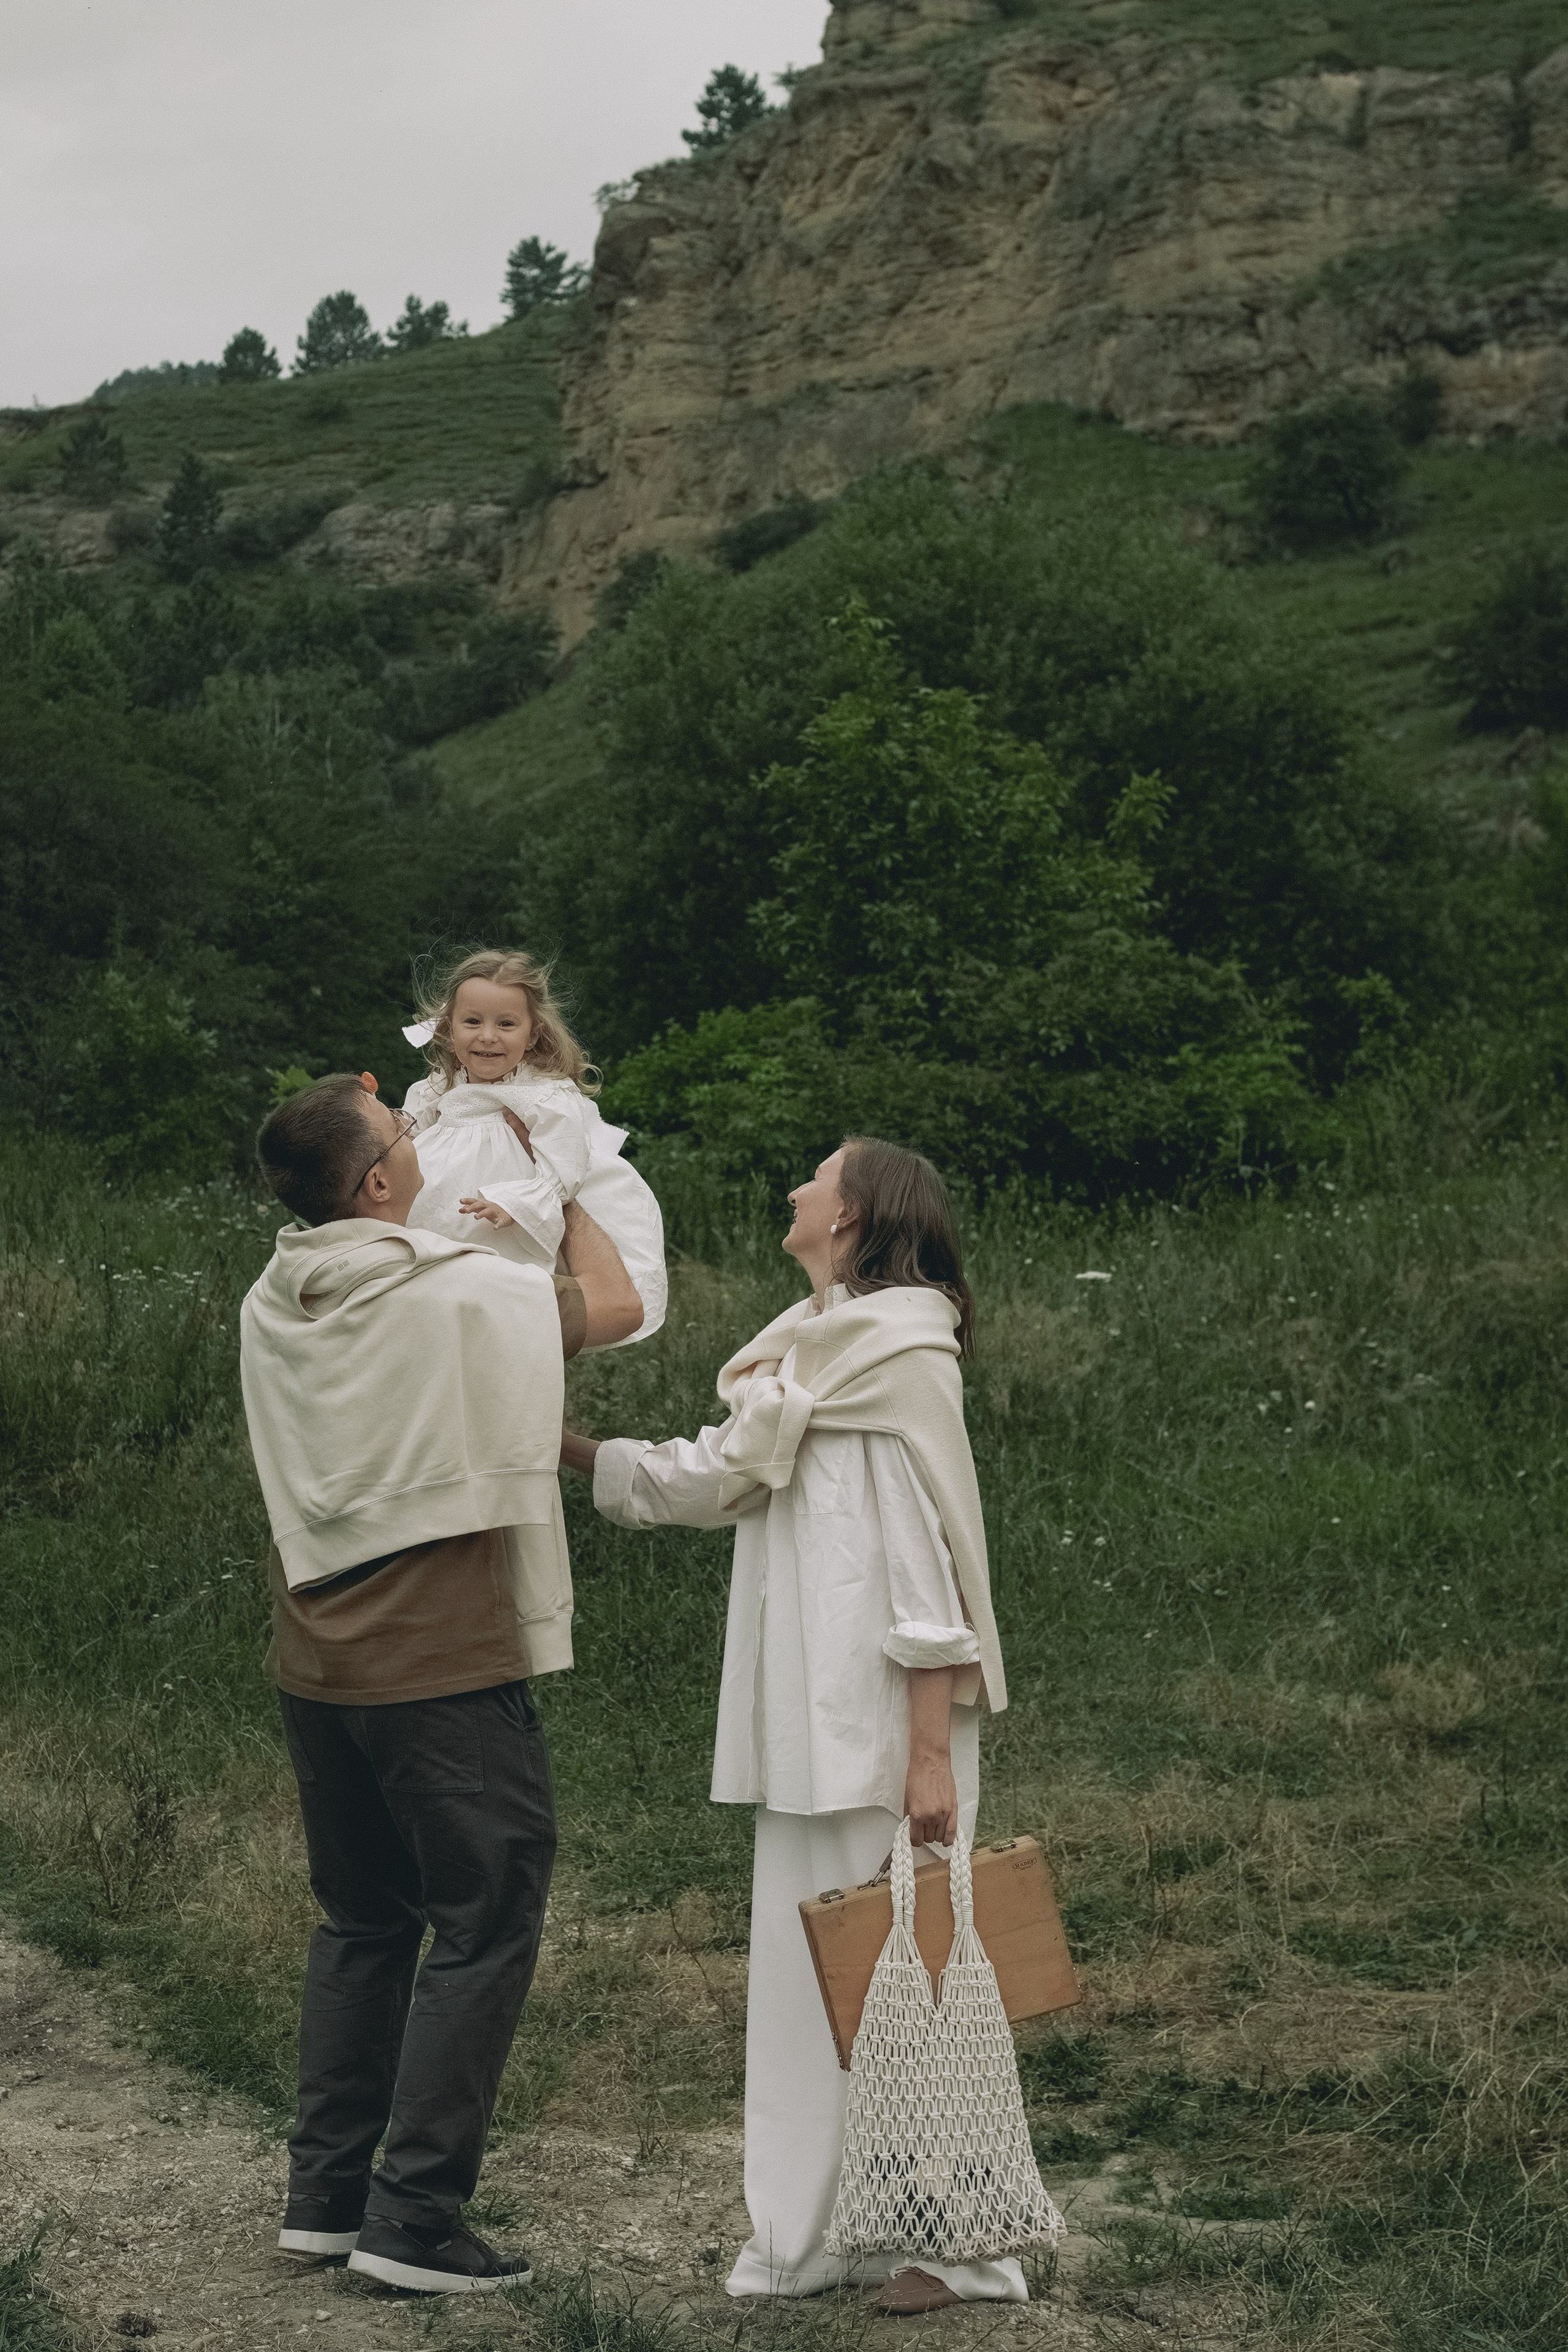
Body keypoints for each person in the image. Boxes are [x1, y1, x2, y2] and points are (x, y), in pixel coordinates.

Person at [561, 1136, 1024, 2313]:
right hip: (805, 1717)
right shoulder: (812, 1348)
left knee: (906, 1979)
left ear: (856, 1212)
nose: (793, 1192)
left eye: (814, 1180)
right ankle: (810, 2235)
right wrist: (572, 1455)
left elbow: (927, 1574)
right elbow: (721, 1476)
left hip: (883, 1723)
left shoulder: (894, 1350)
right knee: (805, 1978)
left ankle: (951, 2244)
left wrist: (929, 1754)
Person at [240, 1071, 642, 2297]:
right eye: (404, 1135)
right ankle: (412, 2224)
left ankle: (324, 2200)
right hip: (439, 1659)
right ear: (375, 1183)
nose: (421, 1141)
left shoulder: (275, 1293)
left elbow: (357, 1194)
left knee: (363, 1920)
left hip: (316, 1653)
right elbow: (618, 1303)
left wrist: (362, 1107)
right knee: (484, 1917)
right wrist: (561, 1173)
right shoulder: (462, 1294)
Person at [402, 948, 666, 1347]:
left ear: (532, 1035)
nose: (488, 1036)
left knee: (499, 1287)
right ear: (448, 1030)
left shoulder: (542, 1096)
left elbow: (565, 1164)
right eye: (472, 1022)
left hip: (511, 1212)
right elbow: (407, 1136)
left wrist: (521, 1201)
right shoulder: (435, 1088)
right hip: (448, 1203)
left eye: (506, 1024)